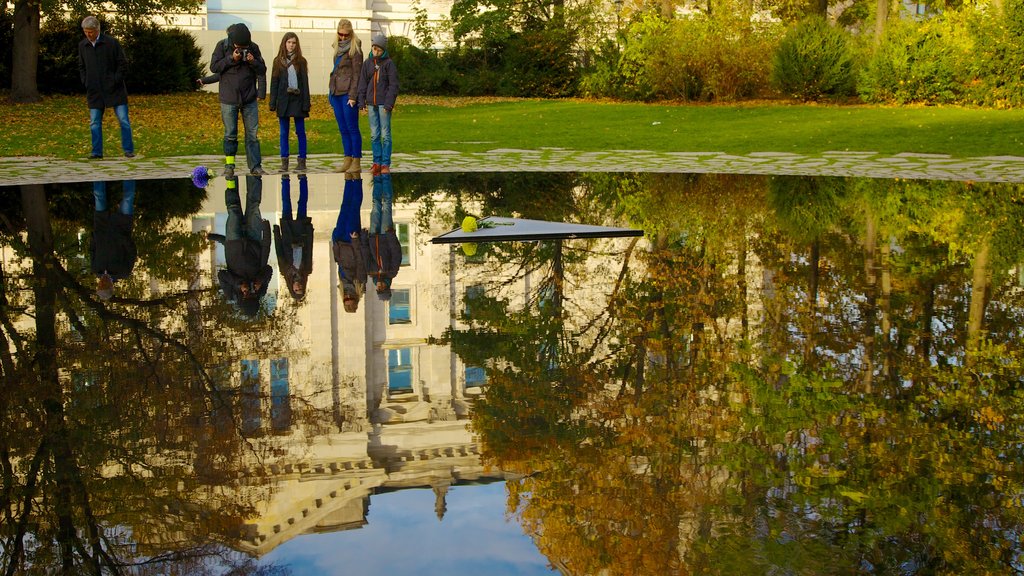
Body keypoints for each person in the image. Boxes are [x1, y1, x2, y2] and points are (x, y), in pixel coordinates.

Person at [208, 175, 273, 317]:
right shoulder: (260, 292)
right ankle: (254, 174)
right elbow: (268, 270)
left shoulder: (231, 294)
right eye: (252, 296)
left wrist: (238, 283)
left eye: (247, 297)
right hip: (254, 241)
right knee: (254, 206)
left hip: (234, 244)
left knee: (233, 210)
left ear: (242, 299)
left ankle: (231, 177)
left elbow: (222, 275)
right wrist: (260, 281)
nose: (250, 294)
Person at [210, 23, 267, 177]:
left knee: (252, 134)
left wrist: (253, 61)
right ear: (232, 42)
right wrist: (231, 59)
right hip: (228, 98)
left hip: (249, 98)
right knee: (230, 133)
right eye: (239, 47)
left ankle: (255, 166)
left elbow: (262, 69)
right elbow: (214, 67)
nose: (242, 49)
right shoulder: (222, 46)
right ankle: (229, 165)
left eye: (244, 46)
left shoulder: (253, 47)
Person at [77, 16, 134, 160]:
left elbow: (122, 64)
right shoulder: (83, 45)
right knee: (94, 122)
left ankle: (128, 150)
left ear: (97, 30)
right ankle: (97, 151)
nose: (88, 35)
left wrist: (115, 80)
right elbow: (81, 66)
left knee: (123, 120)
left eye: (90, 32)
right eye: (85, 32)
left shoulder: (111, 43)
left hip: (115, 89)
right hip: (94, 90)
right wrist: (86, 81)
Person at [357, 33, 399, 176]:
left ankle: (385, 163)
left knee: (385, 134)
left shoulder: (388, 64)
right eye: (374, 49)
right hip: (371, 103)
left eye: (379, 50)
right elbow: (362, 83)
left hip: (383, 104)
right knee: (374, 134)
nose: (376, 52)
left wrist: (389, 104)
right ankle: (376, 162)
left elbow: (393, 85)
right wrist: (361, 100)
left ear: (383, 50)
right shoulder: (367, 64)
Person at [269, 32, 311, 173]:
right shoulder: (278, 61)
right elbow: (274, 82)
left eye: (293, 43)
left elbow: (305, 83)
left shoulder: (301, 61)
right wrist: (272, 102)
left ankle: (302, 161)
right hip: (284, 100)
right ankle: (284, 161)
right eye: (289, 42)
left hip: (298, 100)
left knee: (300, 131)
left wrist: (306, 103)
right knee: (283, 132)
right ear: (284, 43)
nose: (291, 45)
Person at [91, 180, 137, 301]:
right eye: (104, 286)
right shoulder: (123, 272)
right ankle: (129, 171)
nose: (102, 283)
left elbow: (92, 250)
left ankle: (98, 170)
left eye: (100, 285)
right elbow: (132, 252)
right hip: (122, 226)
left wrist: (96, 236)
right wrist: (122, 237)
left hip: (102, 225)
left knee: (98, 194)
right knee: (128, 197)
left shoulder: (96, 269)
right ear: (111, 286)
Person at [329, 19, 363, 175]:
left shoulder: (355, 50)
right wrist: (331, 92)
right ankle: (347, 159)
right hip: (336, 93)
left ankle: (356, 161)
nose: (343, 37)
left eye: (346, 35)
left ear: (351, 33)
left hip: (348, 95)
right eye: (340, 34)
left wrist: (353, 96)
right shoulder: (337, 48)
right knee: (343, 129)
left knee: (352, 129)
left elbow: (357, 75)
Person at [360, 172, 401, 301]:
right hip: (385, 235)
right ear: (387, 287)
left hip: (373, 236)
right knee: (387, 204)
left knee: (376, 205)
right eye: (382, 288)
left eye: (378, 289)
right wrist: (391, 235)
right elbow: (396, 252)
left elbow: (366, 253)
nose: (379, 286)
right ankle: (385, 177)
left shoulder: (370, 272)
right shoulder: (392, 271)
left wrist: (363, 238)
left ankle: (377, 178)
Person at [273, 174, 314, 301]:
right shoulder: (306, 270)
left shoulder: (285, 271)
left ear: (292, 288)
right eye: (301, 288)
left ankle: (285, 180)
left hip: (288, 235)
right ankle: (303, 179)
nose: (298, 286)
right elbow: (309, 250)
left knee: (286, 203)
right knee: (302, 203)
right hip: (302, 234)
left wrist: (276, 232)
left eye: (296, 289)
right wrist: (310, 232)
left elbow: (279, 250)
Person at [332, 173, 366, 313]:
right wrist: (355, 240)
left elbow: (339, 263)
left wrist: (334, 243)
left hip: (340, 242)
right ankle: (356, 180)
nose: (347, 296)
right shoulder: (360, 283)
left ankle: (348, 180)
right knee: (354, 207)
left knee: (345, 207)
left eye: (345, 299)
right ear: (356, 298)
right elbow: (360, 260)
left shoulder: (342, 286)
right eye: (350, 298)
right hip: (351, 241)